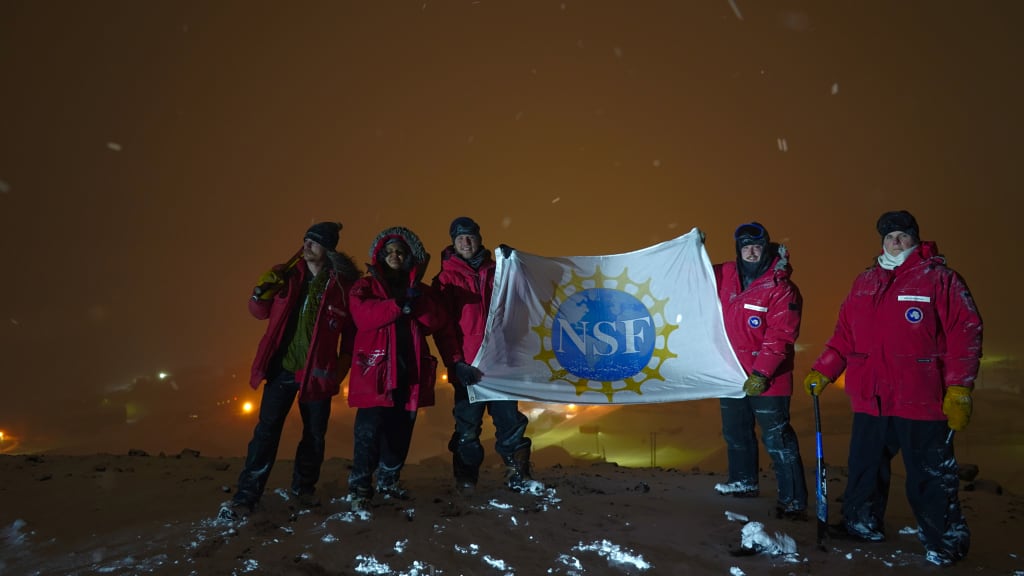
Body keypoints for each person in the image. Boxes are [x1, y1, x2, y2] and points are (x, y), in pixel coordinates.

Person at [803, 210, 982, 566]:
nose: (894, 242)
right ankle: (861, 522)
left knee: (929, 474)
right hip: (872, 397)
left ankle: (944, 541)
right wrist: (823, 371)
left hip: (921, 397)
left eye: (901, 235)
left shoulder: (939, 279)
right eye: (888, 237)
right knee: (865, 466)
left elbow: (967, 332)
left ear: (915, 238)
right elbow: (844, 335)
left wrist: (959, 388)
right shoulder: (865, 282)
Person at [221, 221, 361, 520]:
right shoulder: (286, 275)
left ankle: (304, 491)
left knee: (314, 435)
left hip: (317, 375)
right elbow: (258, 312)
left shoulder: (340, 286)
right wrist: (261, 291)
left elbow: (350, 333)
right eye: (305, 240)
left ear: (329, 249)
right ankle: (247, 495)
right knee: (265, 434)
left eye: (314, 242)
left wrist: (340, 369)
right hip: (282, 368)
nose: (306, 245)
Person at [711, 222, 808, 520]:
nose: (751, 252)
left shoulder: (781, 288)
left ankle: (793, 499)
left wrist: (761, 374)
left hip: (769, 379)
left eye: (757, 246)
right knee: (736, 432)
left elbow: (781, 336)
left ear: (766, 247)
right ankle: (743, 481)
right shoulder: (727, 274)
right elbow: (694, 275)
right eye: (745, 247)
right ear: (738, 250)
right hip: (731, 373)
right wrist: (691, 249)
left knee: (777, 439)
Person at [346, 226, 446, 509]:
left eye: (401, 252)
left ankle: (389, 480)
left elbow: (433, 322)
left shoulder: (420, 290)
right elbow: (364, 317)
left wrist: (417, 303)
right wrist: (398, 305)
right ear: (379, 255)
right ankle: (360, 486)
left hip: (408, 369)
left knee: (401, 429)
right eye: (389, 251)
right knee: (369, 430)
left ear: (409, 257)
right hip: (375, 370)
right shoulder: (365, 287)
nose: (395, 256)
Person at [432, 216, 533, 494]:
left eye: (470, 236)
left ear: (480, 238)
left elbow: (527, 296)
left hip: (501, 365)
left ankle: (518, 474)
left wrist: (517, 264)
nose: (466, 242)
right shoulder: (445, 280)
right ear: (453, 243)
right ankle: (466, 480)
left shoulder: (500, 270)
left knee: (510, 424)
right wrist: (455, 363)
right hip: (469, 367)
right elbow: (444, 329)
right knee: (467, 427)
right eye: (460, 237)